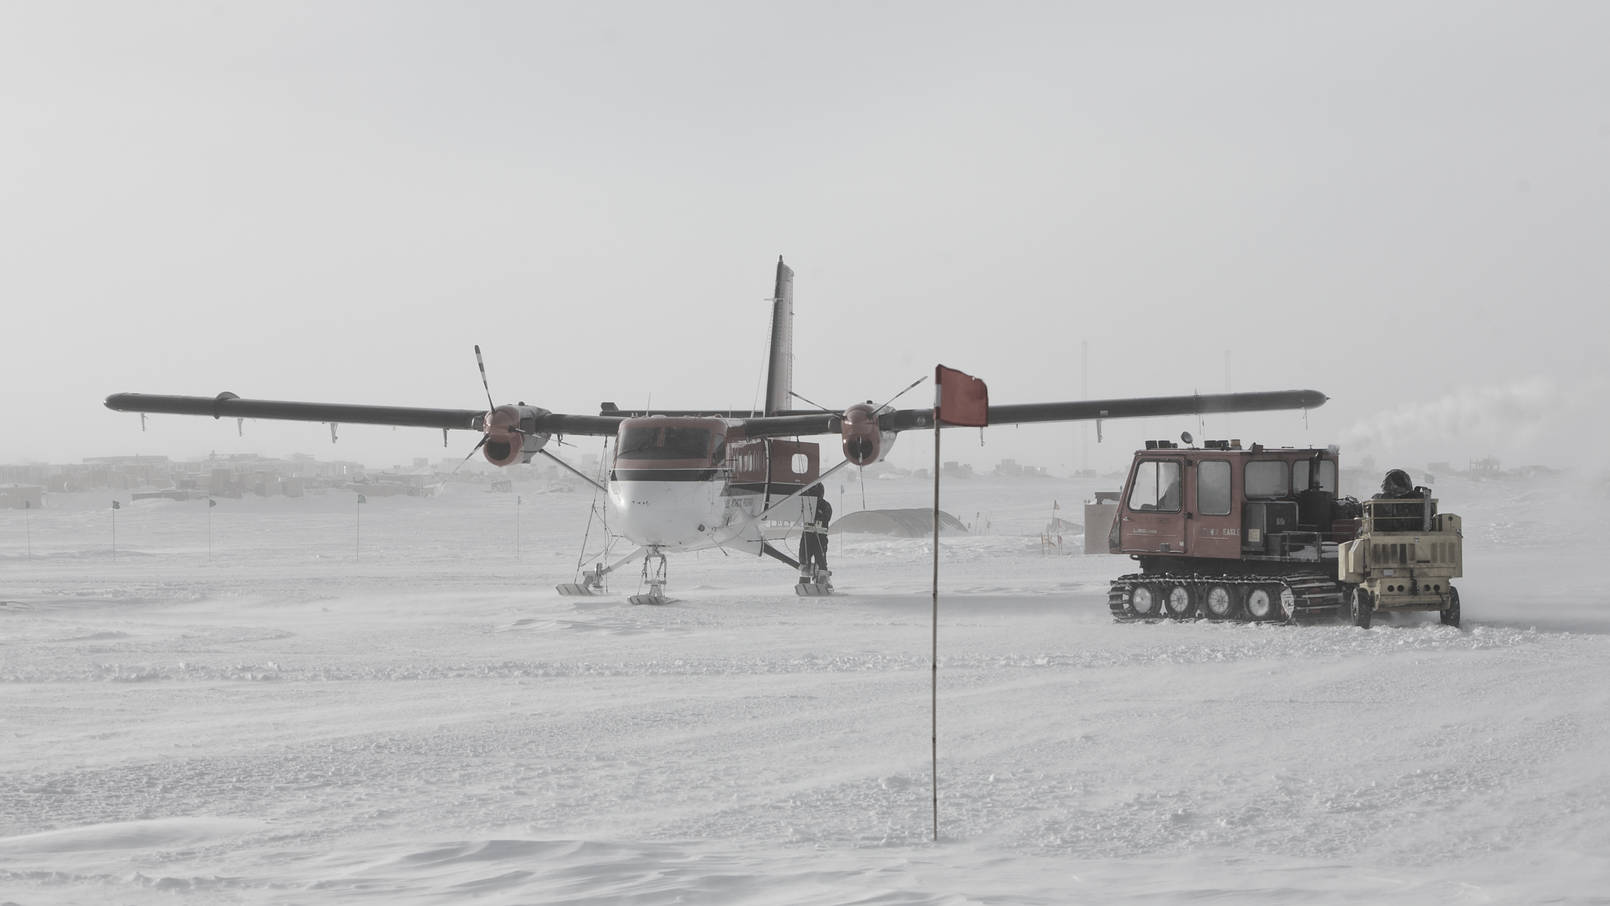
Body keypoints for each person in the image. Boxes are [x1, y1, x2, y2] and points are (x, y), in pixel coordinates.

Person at [797, 484, 832, 583]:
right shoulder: (806, 504)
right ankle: (804, 579)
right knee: (804, 559)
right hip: (808, 536)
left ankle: (822, 580)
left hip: (819, 537)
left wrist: (818, 516)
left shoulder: (825, 505)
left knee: (820, 559)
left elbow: (826, 517)